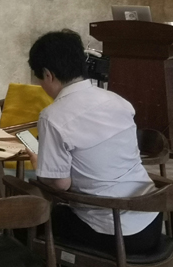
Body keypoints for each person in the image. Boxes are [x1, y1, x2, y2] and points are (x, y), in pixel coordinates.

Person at [26, 30, 161, 255]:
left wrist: (39, 164)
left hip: (113, 231)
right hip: (152, 220)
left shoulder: (53, 116)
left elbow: (60, 185)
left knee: (25, 222)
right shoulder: (119, 101)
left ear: (48, 75)